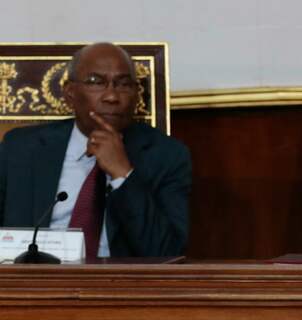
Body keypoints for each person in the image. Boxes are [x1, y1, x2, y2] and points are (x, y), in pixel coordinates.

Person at [0, 42, 190, 258]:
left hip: (118, 285)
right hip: (30, 281)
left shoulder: (167, 155)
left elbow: (166, 252)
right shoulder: (21, 148)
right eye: (96, 82)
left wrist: (123, 174)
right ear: (69, 93)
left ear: (137, 94)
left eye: (124, 84)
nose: (112, 96)